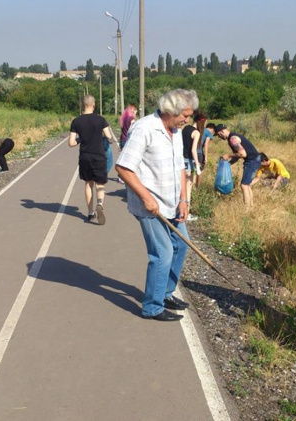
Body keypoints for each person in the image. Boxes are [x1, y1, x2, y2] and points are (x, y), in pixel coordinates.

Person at [115, 89, 198, 321]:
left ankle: (165, 293)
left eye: (190, 116)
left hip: (173, 203)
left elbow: (180, 166)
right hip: (150, 206)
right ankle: (152, 306)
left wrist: (183, 199)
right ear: (170, 111)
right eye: (185, 115)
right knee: (163, 253)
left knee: (182, 245)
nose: (187, 120)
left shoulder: (176, 131)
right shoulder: (144, 129)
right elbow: (123, 167)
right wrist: (145, 197)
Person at [68, 95, 116, 225]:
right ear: (93, 104)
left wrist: (80, 139)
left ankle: (90, 213)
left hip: (85, 156)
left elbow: (71, 143)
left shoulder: (76, 121)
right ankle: (100, 203)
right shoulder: (100, 120)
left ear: (83, 105)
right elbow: (109, 137)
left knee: (88, 184)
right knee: (100, 184)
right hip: (99, 156)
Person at [215, 124, 260, 208]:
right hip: (255, 159)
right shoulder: (233, 137)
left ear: (221, 132)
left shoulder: (232, 139)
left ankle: (247, 209)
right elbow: (237, 155)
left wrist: (228, 155)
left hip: (251, 161)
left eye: (218, 135)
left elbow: (242, 154)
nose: (219, 137)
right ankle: (251, 207)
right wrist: (228, 164)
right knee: (247, 184)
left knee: (244, 185)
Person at [181, 118, 201, 221]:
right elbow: (194, 150)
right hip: (188, 161)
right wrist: (197, 165)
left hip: (181, 160)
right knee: (188, 187)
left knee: (181, 186)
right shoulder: (196, 133)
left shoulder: (185, 128)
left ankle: (179, 210)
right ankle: (186, 213)